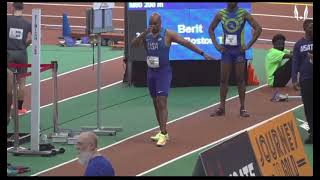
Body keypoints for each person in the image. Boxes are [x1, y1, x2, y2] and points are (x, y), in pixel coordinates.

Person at [131, 13, 214, 146]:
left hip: (163, 72)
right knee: (155, 102)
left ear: (160, 23)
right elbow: (133, 45)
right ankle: (161, 130)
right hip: (151, 72)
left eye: (155, 24)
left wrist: (203, 53)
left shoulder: (168, 34)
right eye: (150, 24)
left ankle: (164, 134)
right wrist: (143, 34)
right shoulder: (146, 35)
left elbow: (186, 43)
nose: (152, 26)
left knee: (161, 101)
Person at [209, 2, 262, 117]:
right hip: (226, 51)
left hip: (239, 51)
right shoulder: (221, 14)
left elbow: (258, 28)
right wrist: (217, 46)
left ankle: (242, 108)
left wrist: (248, 46)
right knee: (223, 80)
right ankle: (221, 107)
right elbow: (211, 29)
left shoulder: (243, 13)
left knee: (240, 80)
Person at [7, 2, 32, 115]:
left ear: (12, 7)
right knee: (21, 82)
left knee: (9, 82)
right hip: (21, 54)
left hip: (9, 54)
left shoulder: (7, 20)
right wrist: (25, 44)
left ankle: (8, 107)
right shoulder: (27, 23)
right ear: (23, 8)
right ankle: (20, 109)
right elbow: (35, 37)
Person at [292, 19, 313, 144]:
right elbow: (295, 62)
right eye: (310, 27)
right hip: (305, 79)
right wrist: (294, 79)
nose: (312, 29)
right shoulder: (299, 44)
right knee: (308, 108)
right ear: (305, 28)